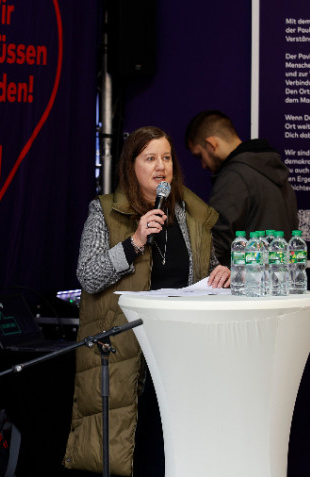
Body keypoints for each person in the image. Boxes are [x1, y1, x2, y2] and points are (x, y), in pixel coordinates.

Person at [63, 126, 230, 477]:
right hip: (125, 350)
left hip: (179, 353)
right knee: (127, 451)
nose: (160, 167)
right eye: (150, 158)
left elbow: (209, 271)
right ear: (131, 166)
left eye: (166, 158)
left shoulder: (190, 214)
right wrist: (135, 240)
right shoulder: (105, 212)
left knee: (171, 449)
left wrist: (222, 274)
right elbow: (89, 275)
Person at [185, 110, 298, 267]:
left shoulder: (234, 177)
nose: (203, 165)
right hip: (278, 281)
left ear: (211, 145)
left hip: (245, 284)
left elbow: (214, 243)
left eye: (200, 155)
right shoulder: (275, 172)